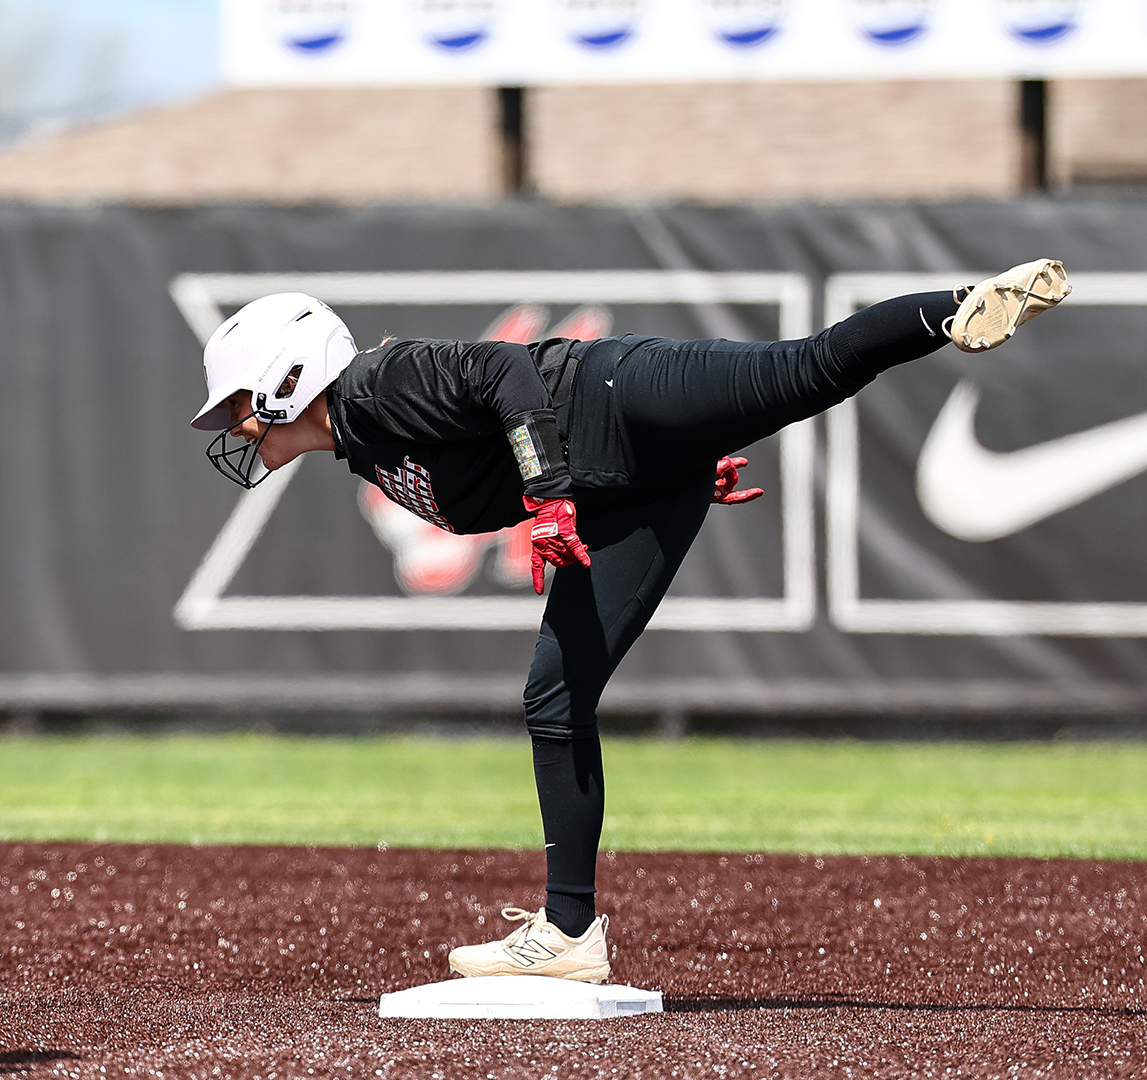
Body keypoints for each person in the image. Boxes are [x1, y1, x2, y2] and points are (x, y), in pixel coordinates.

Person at [191, 260, 1071, 983]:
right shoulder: (364, 442)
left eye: (235, 399)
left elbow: (510, 372)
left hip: (618, 393)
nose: (231, 422)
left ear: (287, 379)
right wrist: (663, 469)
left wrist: (550, 495)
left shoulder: (379, 387)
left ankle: (960, 309)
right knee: (555, 695)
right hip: (632, 480)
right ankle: (569, 934)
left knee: (805, 368)